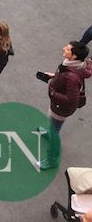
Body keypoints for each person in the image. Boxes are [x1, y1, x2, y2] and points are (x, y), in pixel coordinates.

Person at [41, 41, 92, 169]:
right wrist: (55, 76)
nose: (64, 48)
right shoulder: (72, 66)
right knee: (53, 125)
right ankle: (50, 133)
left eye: (68, 49)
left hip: (61, 108)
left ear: (74, 56)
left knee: (55, 131)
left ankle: (52, 160)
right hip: (58, 105)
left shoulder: (71, 77)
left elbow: (70, 99)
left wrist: (53, 93)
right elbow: (65, 76)